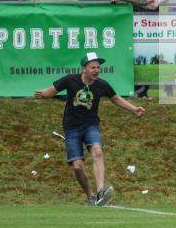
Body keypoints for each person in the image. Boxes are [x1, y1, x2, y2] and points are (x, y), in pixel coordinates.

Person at [34, 52, 145, 206]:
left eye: (98, 67)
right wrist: (43, 94)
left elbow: (116, 98)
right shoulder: (70, 80)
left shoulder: (102, 85)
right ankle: (90, 195)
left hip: (90, 126)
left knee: (97, 151)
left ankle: (100, 192)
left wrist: (134, 109)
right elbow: (52, 90)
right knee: (78, 167)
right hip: (72, 128)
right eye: (93, 67)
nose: (96, 70)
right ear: (84, 68)